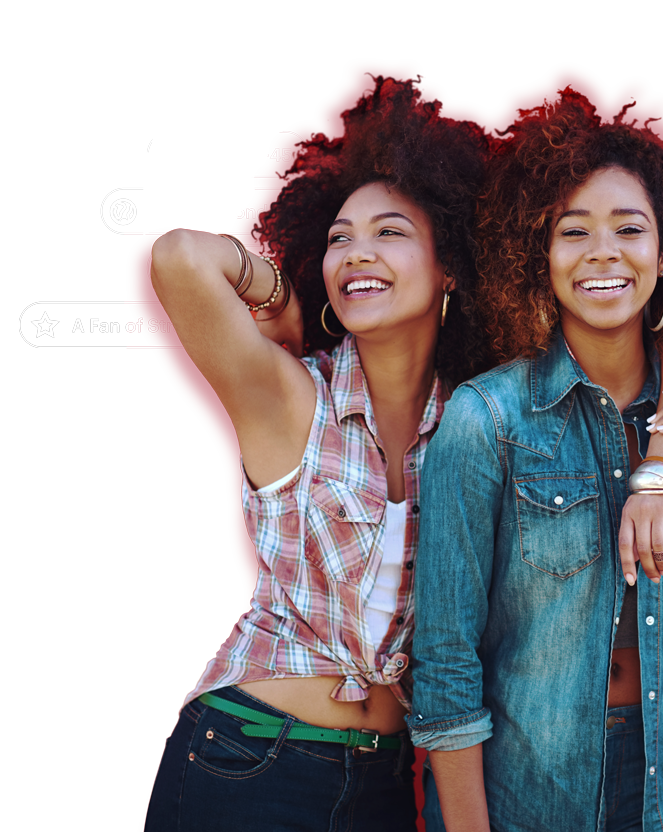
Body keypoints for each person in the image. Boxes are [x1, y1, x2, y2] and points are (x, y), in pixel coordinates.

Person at [409, 94, 663, 832]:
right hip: (528, 793)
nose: (603, 252)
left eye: (629, 229)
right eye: (572, 231)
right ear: (539, 257)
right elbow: (445, 658)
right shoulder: (488, 419)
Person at [142, 79, 491, 832]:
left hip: (384, 784)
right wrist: (277, 297)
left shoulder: (476, 422)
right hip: (246, 762)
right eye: (339, 238)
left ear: (450, 268)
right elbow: (176, 260)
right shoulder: (294, 398)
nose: (357, 253)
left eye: (389, 232)